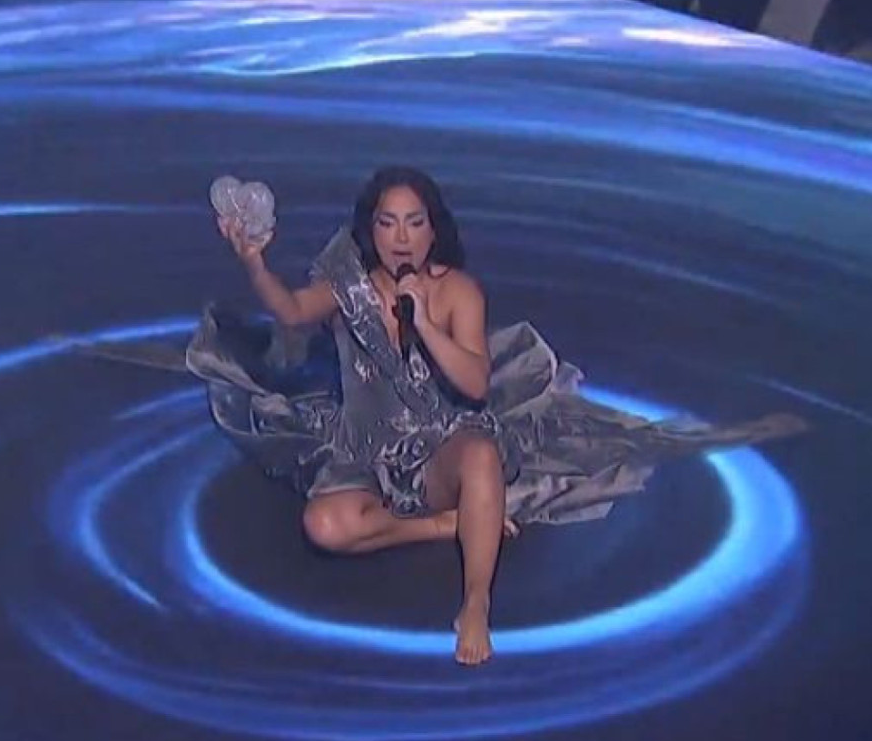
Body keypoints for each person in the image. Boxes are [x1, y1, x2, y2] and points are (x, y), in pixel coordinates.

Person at [186, 165, 803, 666]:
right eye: (387, 222)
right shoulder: (351, 285)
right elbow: (292, 312)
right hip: (366, 450)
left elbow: (476, 383)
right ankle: (445, 526)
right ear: (370, 230)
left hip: (442, 445)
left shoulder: (458, 291)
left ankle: (476, 601)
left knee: (482, 455)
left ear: (433, 229)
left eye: (414, 222)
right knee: (324, 526)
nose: (401, 237)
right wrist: (254, 262)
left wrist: (424, 323)